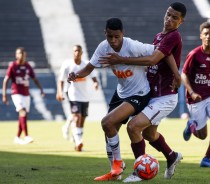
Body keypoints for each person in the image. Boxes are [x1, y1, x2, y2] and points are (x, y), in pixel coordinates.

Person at [67, 18, 164, 181]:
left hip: (139, 93)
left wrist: (173, 74)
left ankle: (119, 165)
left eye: (116, 37)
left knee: (107, 122)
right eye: (110, 36)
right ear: (105, 34)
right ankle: (116, 170)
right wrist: (76, 75)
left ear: (122, 34)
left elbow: (158, 52)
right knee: (109, 130)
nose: (113, 41)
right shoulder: (103, 48)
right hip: (121, 93)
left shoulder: (132, 46)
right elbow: (89, 68)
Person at [99, 2, 186, 182]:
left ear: (181, 22)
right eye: (168, 14)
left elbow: (153, 59)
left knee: (133, 127)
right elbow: (166, 56)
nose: (169, 19)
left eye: (174, 17)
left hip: (164, 97)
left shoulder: (173, 36)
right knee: (148, 134)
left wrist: (122, 59)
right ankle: (171, 156)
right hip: (153, 94)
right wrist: (177, 73)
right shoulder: (159, 37)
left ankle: (139, 172)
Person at [182, 22, 210, 168]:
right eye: (205, 34)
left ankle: (206, 159)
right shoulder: (194, 54)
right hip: (195, 98)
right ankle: (191, 125)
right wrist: (192, 92)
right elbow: (184, 75)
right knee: (202, 136)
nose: (208, 36)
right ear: (201, 36)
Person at [56, 45, 99, 151]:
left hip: (84, 96)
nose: (77, 53)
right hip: (72, 94)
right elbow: (61, 79)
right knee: (77, 117)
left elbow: (93, 76)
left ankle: (75, 141)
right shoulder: (67, 64)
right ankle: (79, 142)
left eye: (79, 51)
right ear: (72, 52)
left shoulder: (86, 64)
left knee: (82, 120)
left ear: (82, 52)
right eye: (75, 51)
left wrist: (95, 83)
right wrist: (60, 92)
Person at [2, 47, 45, 144]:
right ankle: (26, 136)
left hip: (26, 94)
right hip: (16, 93)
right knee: (23, 112)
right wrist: (4, 95)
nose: (21, 55)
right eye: (19, 53)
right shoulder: (13, 66)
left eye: (22, 53)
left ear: (25, 55)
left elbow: (35, 79)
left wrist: (41, 89)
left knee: (23, 116)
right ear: (16, 55)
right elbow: (6, 81)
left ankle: (17, 137)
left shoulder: (27, 66)